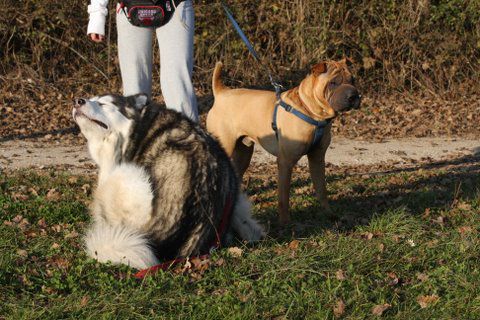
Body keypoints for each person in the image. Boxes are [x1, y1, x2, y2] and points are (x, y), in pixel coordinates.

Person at [86, 0, 198, 122]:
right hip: (129, 6)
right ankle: (137, 139)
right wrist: (97, 14)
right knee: (134, 91)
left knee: (178, 84)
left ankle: (188, 139)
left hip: (175, 5)